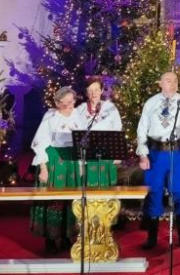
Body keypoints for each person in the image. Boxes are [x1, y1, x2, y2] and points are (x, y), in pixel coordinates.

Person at [137, 72, 180, 250]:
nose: (173, 83)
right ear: (160, 83)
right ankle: (152, 237)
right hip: (156, 153)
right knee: (154, 191)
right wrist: (143, 153)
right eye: (169, 81)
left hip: (179, 152)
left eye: (176, 81)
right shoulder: (151, 103)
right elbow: (142, 129)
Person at [30, 87, 82, 253]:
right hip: (54, 160)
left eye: (71, 101)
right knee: (53, 199)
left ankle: (67, 236)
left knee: (70, 200)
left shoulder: (78, 117)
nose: (68, 105)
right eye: (64, 102)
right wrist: (43, 168)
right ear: (57, 103)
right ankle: (50, 238)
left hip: (71, 161)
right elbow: (39, 143)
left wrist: (81, 165)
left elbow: (83, 141)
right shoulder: (51, 117)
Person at [74, 80, 123, 186]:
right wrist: (79, 160)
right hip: (87, 153)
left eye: (96, 89)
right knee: (88, 186)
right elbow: (75, 132)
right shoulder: (80, 109)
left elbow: (117, 129)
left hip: (107, 152)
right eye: (90, 90)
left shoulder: (111, 108)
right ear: (86, 93)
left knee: (106, 186)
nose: (93, 93)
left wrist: (117, 154)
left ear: (101, 91)